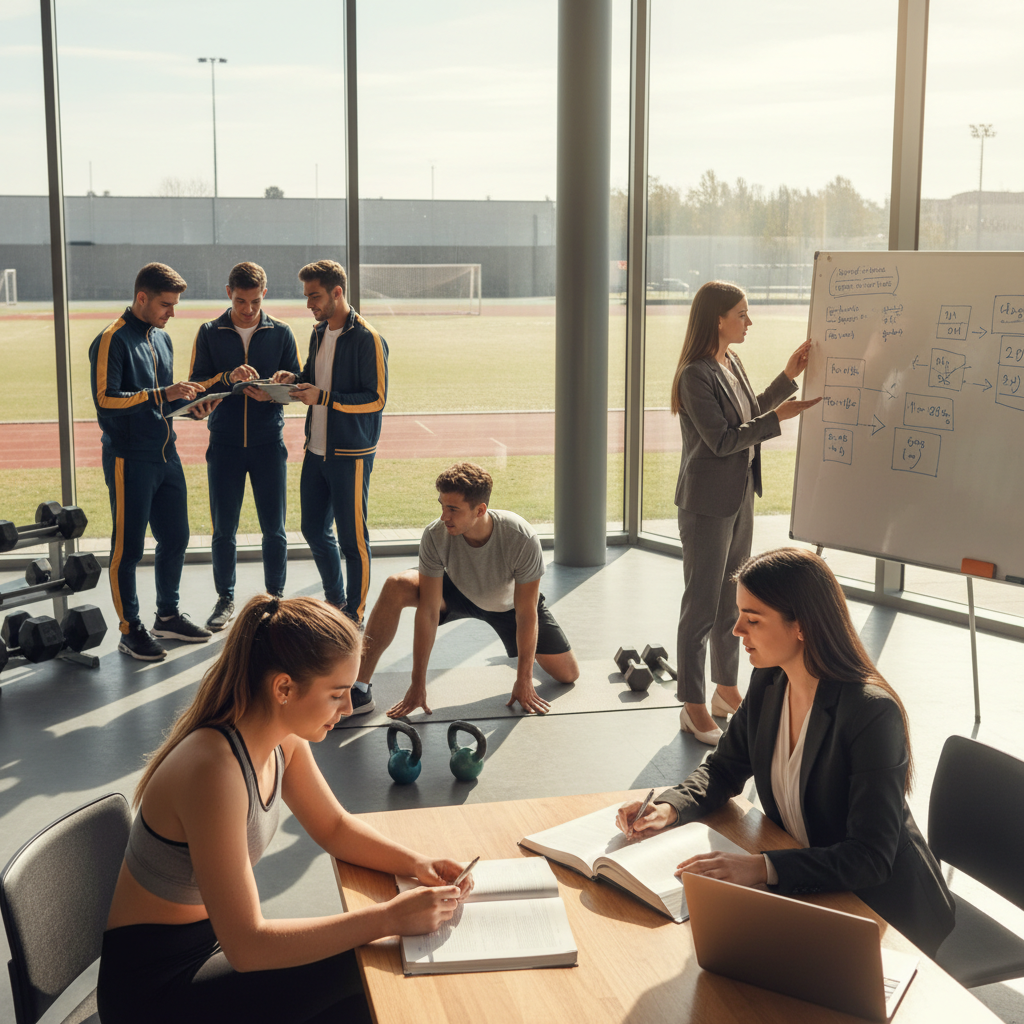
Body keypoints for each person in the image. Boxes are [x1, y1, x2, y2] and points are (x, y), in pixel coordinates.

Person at [97, 594, 473, 1024]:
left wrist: (417, 863)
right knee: (366, 969)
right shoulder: (212, 771)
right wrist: (389, 917)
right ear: (283, 688)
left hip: (211, 946)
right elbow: (248, 946)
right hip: (154, 992)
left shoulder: (282, 738)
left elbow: (333, 827)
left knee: (360, 991)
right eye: (337, 694)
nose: (349, 708)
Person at [615, 548, 956, 957]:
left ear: (803, 627)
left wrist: (762, 866)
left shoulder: (871, 713)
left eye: (753, 619)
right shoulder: (768, 682)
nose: (737, 629)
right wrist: (670, 806)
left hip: (885, 916)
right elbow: (724, 768)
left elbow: (870, 858)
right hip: (812, 894)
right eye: (739, 613)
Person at [671, 280, 820, 744]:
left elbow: (746, 414)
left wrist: (785, 377)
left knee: (729, 603)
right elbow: (722, 440)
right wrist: (781, 418)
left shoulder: (729, 362)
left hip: (737, 499)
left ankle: (725, 689)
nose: (748, 321)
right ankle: (692, 705)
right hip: (706, 507)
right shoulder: (695, 374)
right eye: (742, 314)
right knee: (700, 607)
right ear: (718, 318)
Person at [355, 462, 579, 719]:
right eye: (441, 506)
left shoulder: (520, 537)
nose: (443, 516)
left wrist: (523, 678)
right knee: (398, 584)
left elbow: (526, 613)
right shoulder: (435, 534)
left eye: (452, 509)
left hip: (508, 606)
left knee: (568, 674)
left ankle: (527, 659)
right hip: (456, 591)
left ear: (480, 509)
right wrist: (417, 684)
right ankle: (359, 687)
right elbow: (429, 611)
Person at [89, 262, 216, 661]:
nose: (172, 313)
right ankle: (130, 630)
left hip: (166, 455)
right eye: (166, 304)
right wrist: (163, 394)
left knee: (176, 538)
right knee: (127, 549)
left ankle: (167, 615)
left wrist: (191, 406)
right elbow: (106, 400)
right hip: (131, 459)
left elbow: (166, 400)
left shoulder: (161, 339)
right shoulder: (111, 339)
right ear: (141, 297)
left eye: (175, 305)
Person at [273, 260, 388, 627]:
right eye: (307, 296)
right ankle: (336, 601)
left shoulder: (368, 338)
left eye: (315, 296)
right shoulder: (319, 332)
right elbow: (316, 378)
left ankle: (355, 616)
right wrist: (296, 378)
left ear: (337, 292)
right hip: (316, 449)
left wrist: (323, 398)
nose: (309, 304)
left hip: (351, 454)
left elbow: (376, 399)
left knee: (353, 540)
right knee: (312, 529)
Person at [188, 262, 302, 631]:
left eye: (255, 301)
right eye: (241, 301)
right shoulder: (209, 332)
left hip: (270, 443)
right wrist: (227, 377)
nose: (249, 309)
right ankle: (225, 600)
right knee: (224, 529)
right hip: (224, 444)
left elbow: (297, 387)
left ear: (264, 293)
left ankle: (275, 600)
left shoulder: (282, 333)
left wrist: (279, 390)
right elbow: (195, 386)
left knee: (275, 529)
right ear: (228, 293)